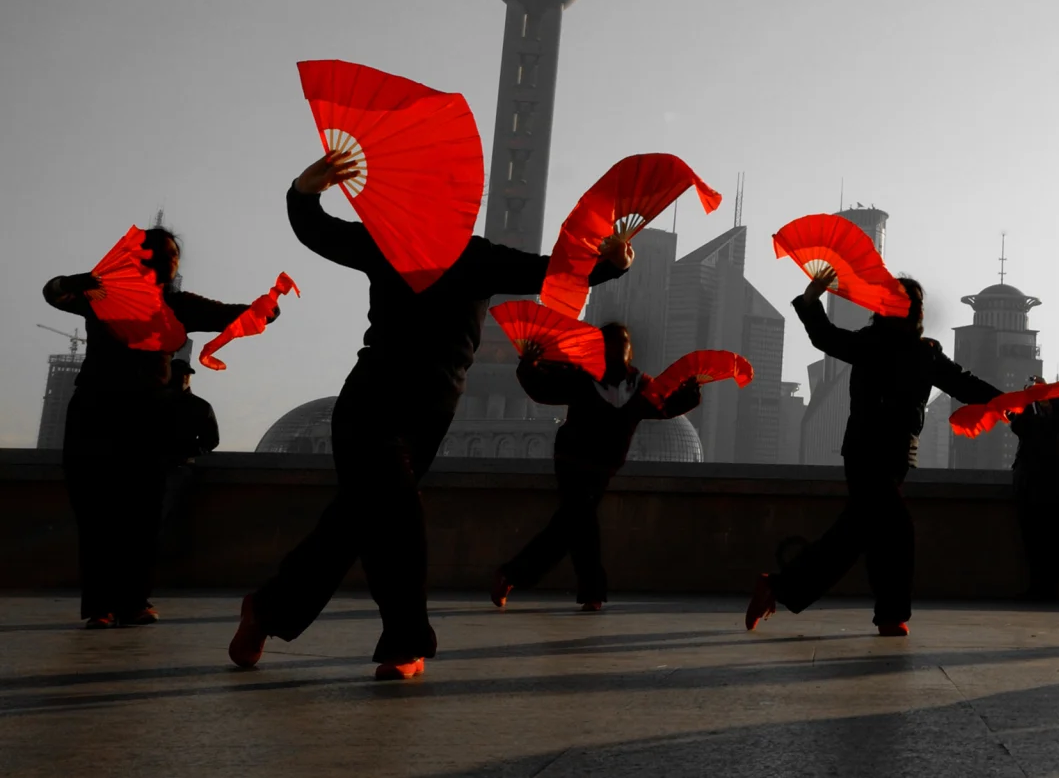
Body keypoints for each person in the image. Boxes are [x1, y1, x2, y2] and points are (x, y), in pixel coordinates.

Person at [229, 150, 632, 680]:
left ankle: (267, 609)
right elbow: (319, 232)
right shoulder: (388, 242)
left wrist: (611, 263)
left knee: (351, 523)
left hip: (430, 416)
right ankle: (405, 640)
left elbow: (549, 270)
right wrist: (304, 190)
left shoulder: (479, 256)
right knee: (399, 520)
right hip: (371, 404)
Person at [745, 271, 1002, 636]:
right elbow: (825, 337)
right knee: (897, 530)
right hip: (866, 454)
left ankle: (781, 588)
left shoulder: (925, 354)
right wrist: (810, 299)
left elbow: (964, 384)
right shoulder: (873, 344)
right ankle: (889, 614)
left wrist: (1009, 402)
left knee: (858, 534)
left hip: (896, 458)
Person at [44, 228, 257, 629]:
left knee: (142, 513)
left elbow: (229, 314)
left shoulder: (176, 303)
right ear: (136, 258)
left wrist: (264, 307)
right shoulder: (102, 294)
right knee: (96, 513)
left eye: (173, 254)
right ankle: (100, 606)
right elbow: (53, 294)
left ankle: (133, 601)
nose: (168, 259)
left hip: (149, 415)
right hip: (95, 412)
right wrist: (70, 283)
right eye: (159, 252)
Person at [491, 323, 701, 611]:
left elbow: (663, 406)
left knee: (568, 528)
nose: (618, 351)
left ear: (629, 351)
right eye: (611, 345)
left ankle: (511, 575)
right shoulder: (580, 376)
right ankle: (591, 593)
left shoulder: (638, 385)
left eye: (622, 345)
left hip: (603, 468)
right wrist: (529, 365)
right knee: (583, 526)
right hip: (572, 462)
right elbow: (543, 389)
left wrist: (689, 395)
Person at [1009, 375, 1059, 600]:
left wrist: (1049, 394)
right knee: (1033, 542)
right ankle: (1037, 587)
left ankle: (1049, 588)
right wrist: (1028, 400)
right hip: (1030, 485)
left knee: (1052, 542)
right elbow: (1016, 424)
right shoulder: (1027, 416)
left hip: (1053, 487)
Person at [159, 360, 221, 531]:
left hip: (170, 467)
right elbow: (211, 440)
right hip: (176, 467)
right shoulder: (200, 406)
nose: (183, 378)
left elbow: (211, 440)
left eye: (184, 375)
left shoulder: (153, 404)